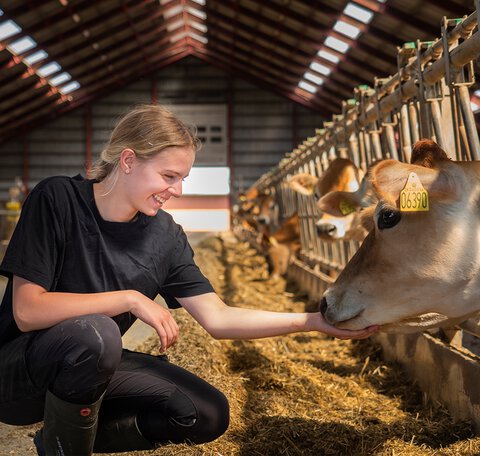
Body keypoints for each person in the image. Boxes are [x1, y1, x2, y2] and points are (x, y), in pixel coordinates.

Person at [0, 104, 378, 456]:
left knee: (206, 413)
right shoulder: (58, 199)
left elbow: (218, 317)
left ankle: (58, 439)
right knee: (97, 333)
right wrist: (130, 298)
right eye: (169, 176)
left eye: (182, 178)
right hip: (20, 371)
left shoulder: (164, 236)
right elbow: (28, 310)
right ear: (128, 160)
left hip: (95, 362)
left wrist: (310, 322)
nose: (177, 190)